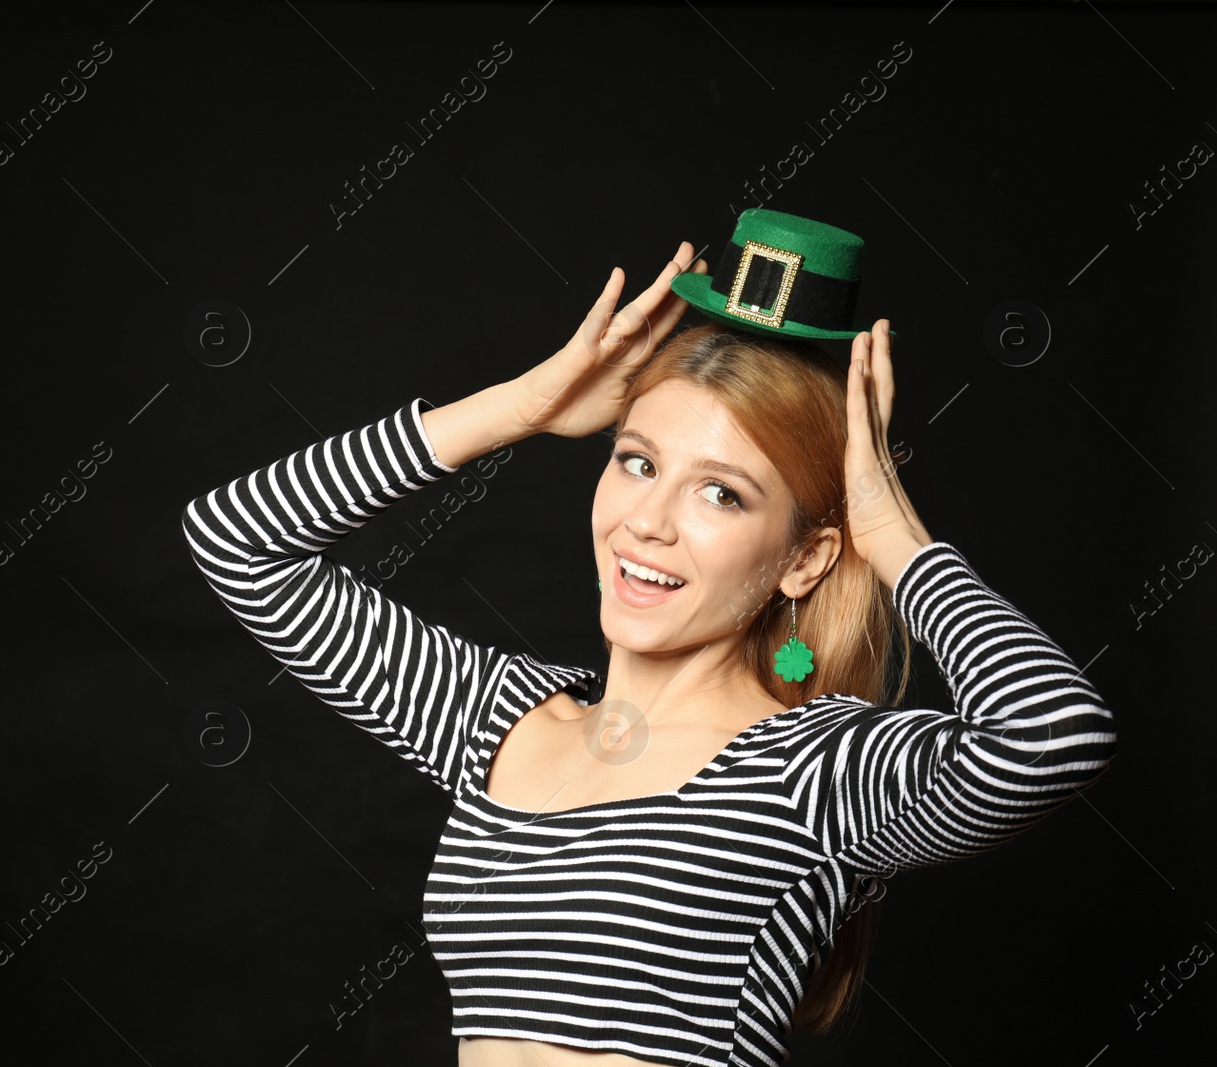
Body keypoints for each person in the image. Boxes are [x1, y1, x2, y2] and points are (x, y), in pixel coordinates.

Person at [181, 208, 1117, 1066]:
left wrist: (892, 538)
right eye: (638, 462)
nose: (649, 523)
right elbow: (236, 540)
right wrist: (522, 408)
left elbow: (1053, 738)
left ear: (804, 559)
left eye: (722, 492)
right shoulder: (498, 719)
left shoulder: (811, 771)